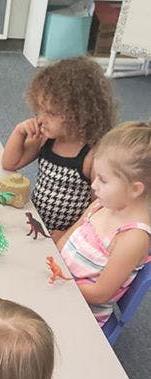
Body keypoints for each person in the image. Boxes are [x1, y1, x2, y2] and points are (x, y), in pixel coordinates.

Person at [2, 57, 116, 242]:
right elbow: (10, 163)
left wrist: (69, 234)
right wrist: (19, 132)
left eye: (51, 113)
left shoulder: (92, 155)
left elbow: (99, 208)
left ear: (81, 115)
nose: (40, 119)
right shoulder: (46, 138)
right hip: (36, 222)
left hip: (65, 237)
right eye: (40, 109)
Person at [57, 121, 151, 326]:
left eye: (103, 180)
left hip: (80, 315)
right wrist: (54, 266)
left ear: (135, 189)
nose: (93, 185)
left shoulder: (133, 238)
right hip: (60, 287)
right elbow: (66, 239)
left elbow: (100, 294)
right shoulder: (101, 205)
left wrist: (60, 281)